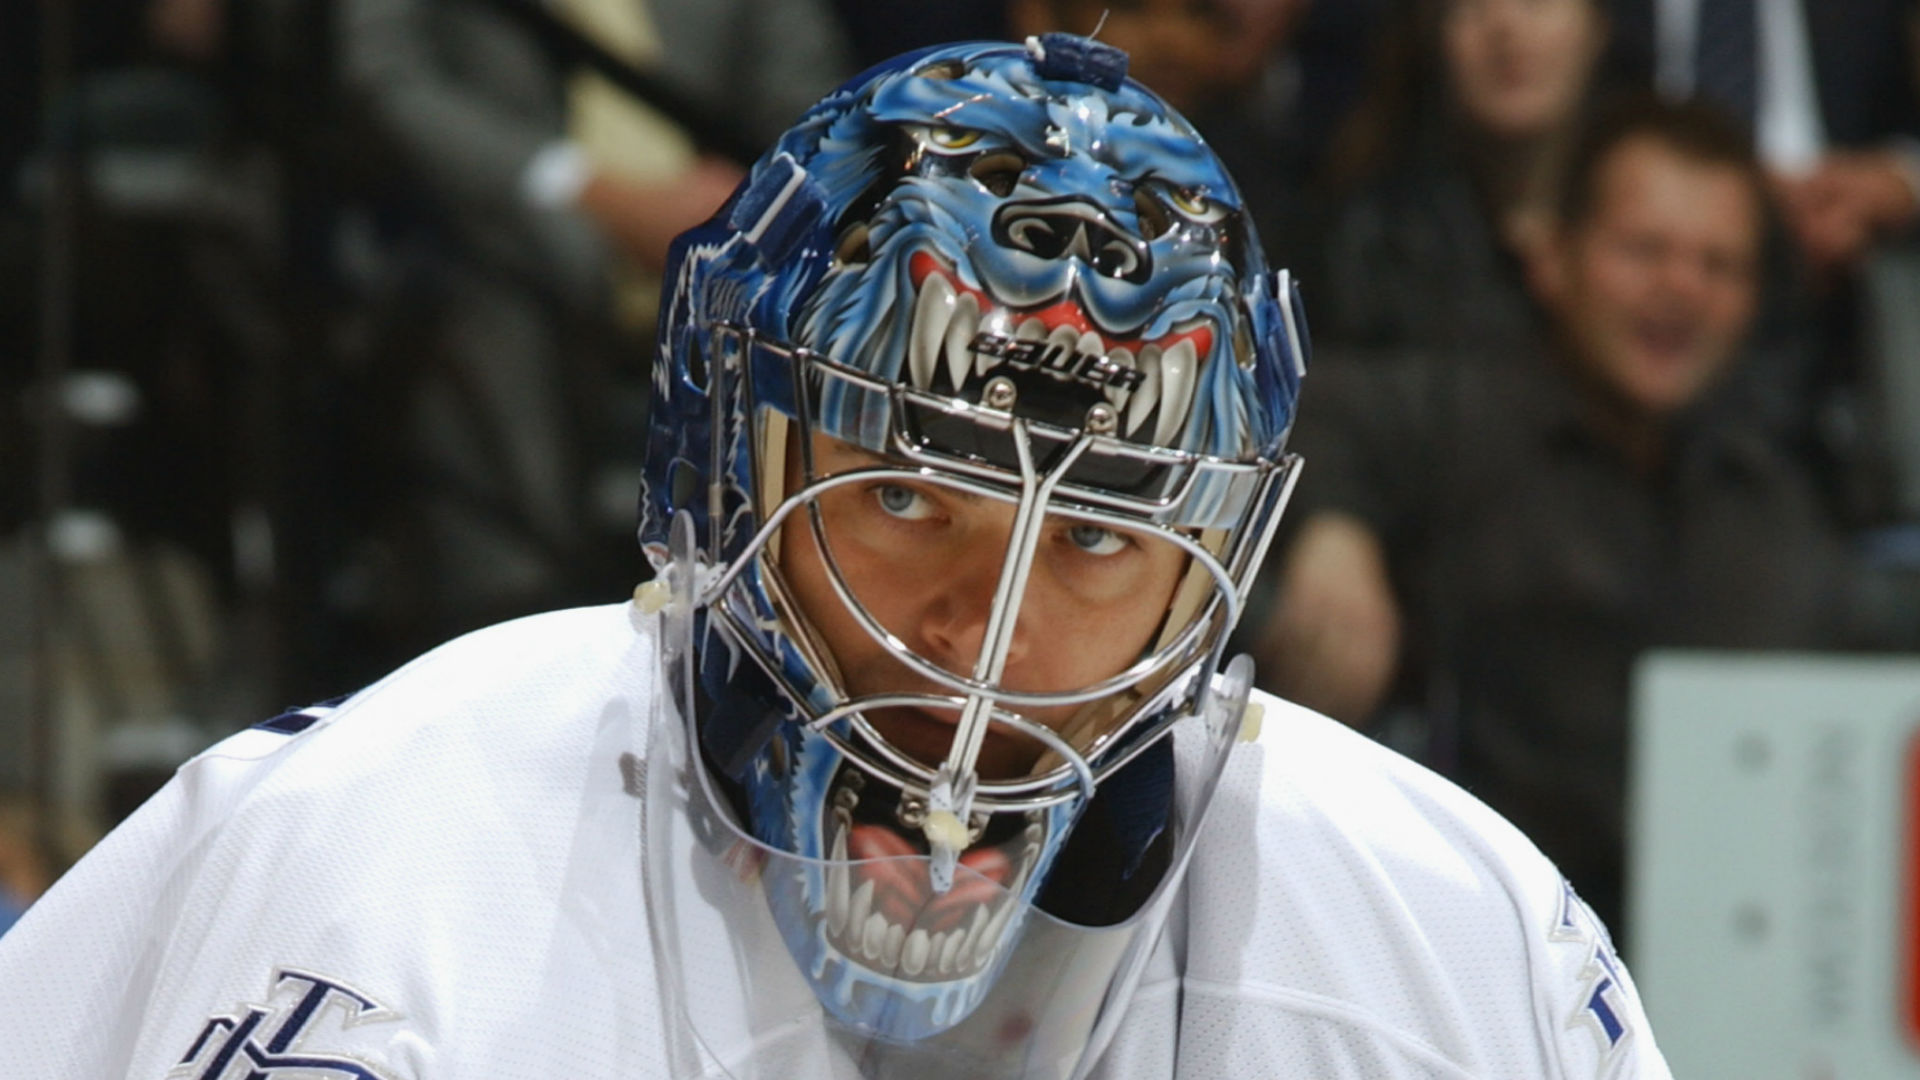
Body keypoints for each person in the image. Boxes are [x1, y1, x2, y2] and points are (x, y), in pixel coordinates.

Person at [0, 38, 1672, 1077]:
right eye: (910, 501)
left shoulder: (1453, 953)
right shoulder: (365, 875)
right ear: (729, 462)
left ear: (1212, 564)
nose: (983, 633)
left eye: (1097, 534)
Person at [1254, 94, 1883, 938]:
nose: (1682, 288)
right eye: (1645, 249)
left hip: (1723, 955)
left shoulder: (1778, 501)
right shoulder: (1461, 415)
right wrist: (1334, 531)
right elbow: (1294, 409)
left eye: (1720, 265)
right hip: (1471, 936)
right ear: (1555, 257)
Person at [1317, 0, 1614, 354]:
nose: (1505, 26)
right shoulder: (1364, 241)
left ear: (1597, 27)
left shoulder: (1660, 208)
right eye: (1471, 5)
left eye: (1534, 3)